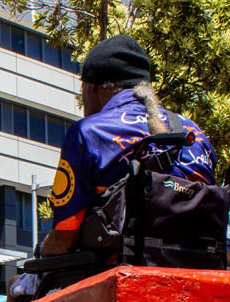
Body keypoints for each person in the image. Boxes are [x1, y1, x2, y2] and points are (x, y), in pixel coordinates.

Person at [42, 34, 216, 256]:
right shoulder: (196, 134)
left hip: (119, 272)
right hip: (201, 269)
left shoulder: (89, 132)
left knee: (20, 284)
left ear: (93, 88)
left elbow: (64, 238)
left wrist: (41, 252)